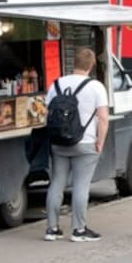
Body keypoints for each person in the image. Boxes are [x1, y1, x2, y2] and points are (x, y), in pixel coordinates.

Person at [44, 48, 109, 242]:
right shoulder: (96, 87)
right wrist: (100, 142)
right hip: (85, 142)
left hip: (58, 143)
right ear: (91, 65)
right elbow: (103, 118)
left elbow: (47, 113)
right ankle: (79, 230)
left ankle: (52, 229)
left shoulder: (55, 84)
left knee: (56, 184)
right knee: (81, 186)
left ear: (74, 63)